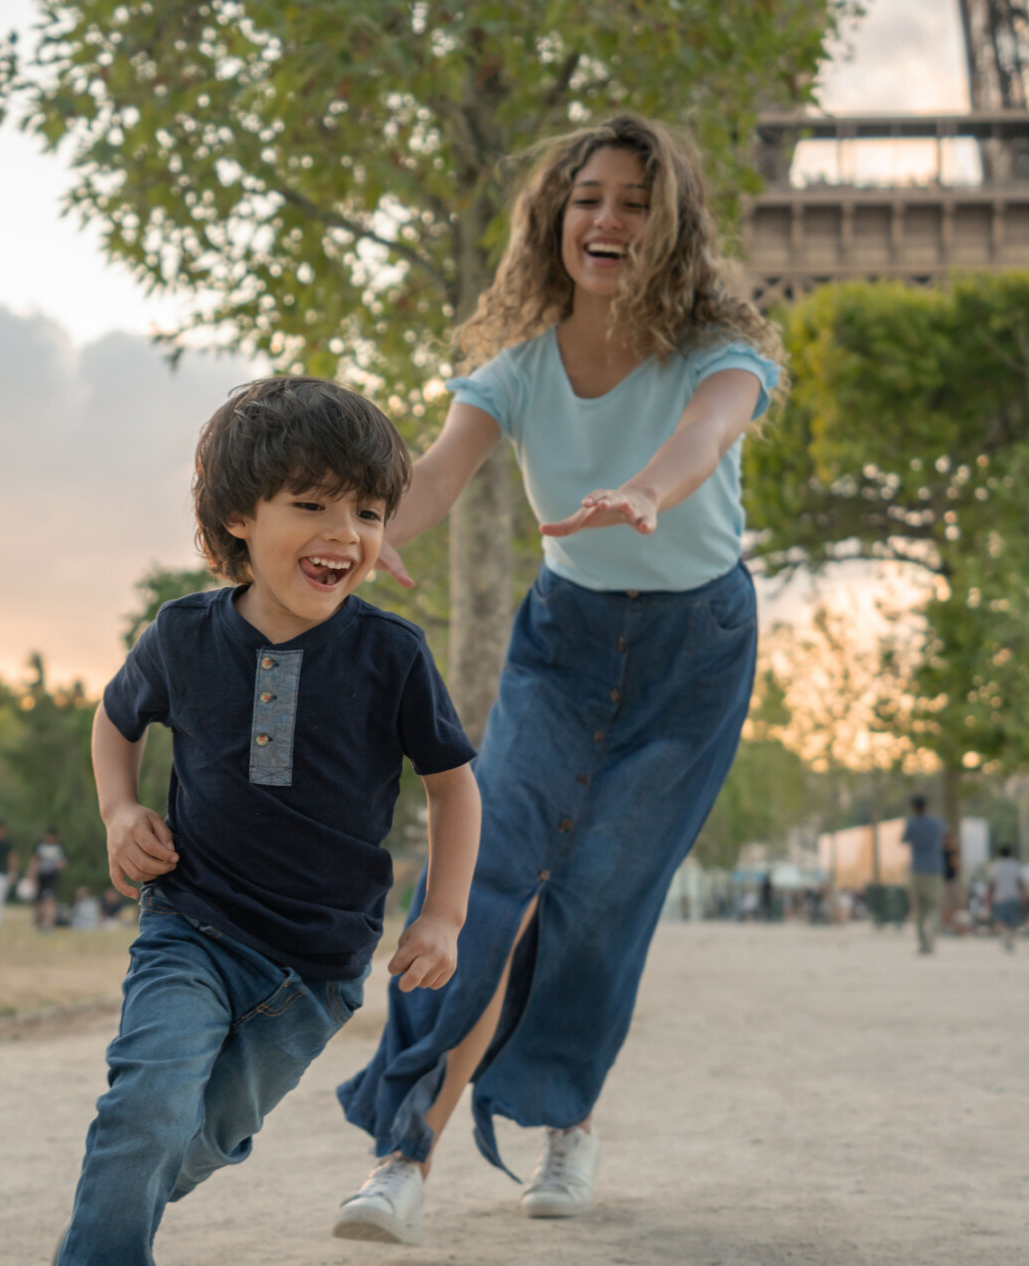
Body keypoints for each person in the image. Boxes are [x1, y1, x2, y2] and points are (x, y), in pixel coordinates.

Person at [332, 115, 783, 1244]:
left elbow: (709, 433)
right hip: (564, 647)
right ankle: (403, 1152)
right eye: (588, 198)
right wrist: (371, 531)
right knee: (483, 882)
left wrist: (648, 489)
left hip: (696, 655)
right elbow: (437, 471)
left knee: (600, 904)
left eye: (635, 200)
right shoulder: (522, 367)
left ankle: (566, 1121)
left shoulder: (719, 354)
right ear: (555, 217)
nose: (609, 218)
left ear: (669, 226)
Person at [52, 376, 480, 1266]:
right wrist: (118, 807)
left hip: (315, 968)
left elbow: (452, 786)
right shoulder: (181, 636)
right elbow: (115, 718)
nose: (344, 533)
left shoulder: (390, 655)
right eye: (312, 503)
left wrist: (443, 914)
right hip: (192, 927)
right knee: (144, 1110)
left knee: (199, 1136)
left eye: (367, 511)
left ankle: (134, 1174)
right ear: (240, 516)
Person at [903, 795, 948, 955]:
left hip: (917, 870)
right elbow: (946, 837)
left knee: (919, 909)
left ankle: (922, 942)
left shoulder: (912, 824)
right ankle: (932, 937)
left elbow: (904, 840)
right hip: (935, 870)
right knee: (934, 907)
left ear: (914, 808)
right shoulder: (937, 823)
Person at [989, 844, 1029, 952]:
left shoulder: (996, 866)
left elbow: (992, 884)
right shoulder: (1016, 865)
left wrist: (988, 898)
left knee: (1000, 921)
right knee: (1013, 923)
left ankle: (1006, 936)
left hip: (1000, 899)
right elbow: (1020, 883)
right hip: (1013, 898)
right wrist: (1024, 896)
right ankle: (1009, 938)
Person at [28, 826, 68, 933]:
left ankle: (48, 924)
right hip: (40, 877)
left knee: (50, 900)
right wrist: (31, 876)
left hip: (52, 877)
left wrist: (58, 865)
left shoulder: (59, 847)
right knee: (38, 901)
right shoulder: (39, 845)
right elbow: (34, 861)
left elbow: (63, 862)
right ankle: (39, 921)